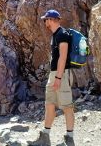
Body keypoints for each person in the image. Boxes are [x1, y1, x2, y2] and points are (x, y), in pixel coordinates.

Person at [28, 10, 75, 146]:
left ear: (51, 19)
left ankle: (70, 139)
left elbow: (63, 56)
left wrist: (58, 78)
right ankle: (45, 137)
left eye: (45, 20)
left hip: (62, 74)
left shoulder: (63, 34)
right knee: (49, 104)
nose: (45, 22)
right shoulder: (55, 35)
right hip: (53, 74)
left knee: (67, 106)